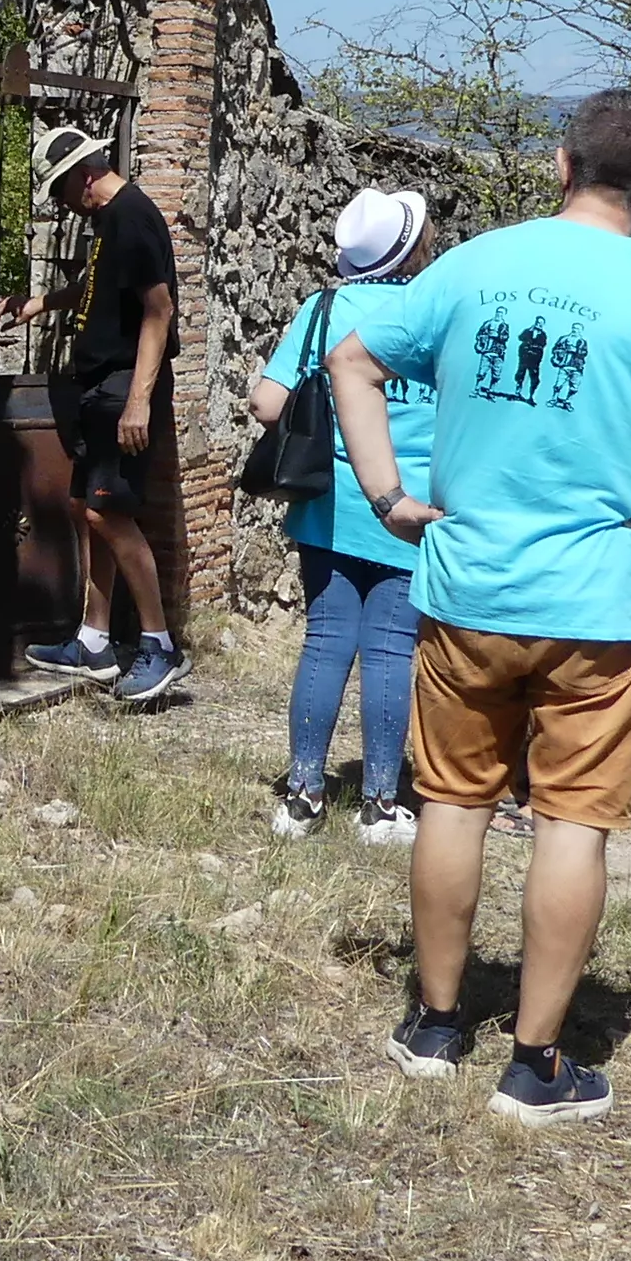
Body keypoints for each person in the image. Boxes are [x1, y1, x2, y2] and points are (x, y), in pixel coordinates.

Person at [327, 88, 631, 1128]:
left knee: (451, 800)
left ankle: (435, 1024)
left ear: (558, 164)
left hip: (467, 586)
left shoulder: (477, 264)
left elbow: (351, 357)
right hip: (601, 604)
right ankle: (534, 1062)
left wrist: (387, 497)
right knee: (571, 824)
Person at [245, 187, 437, 846]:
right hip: (409, 508)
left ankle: (302, 795)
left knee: (326, 641)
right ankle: (381, 806)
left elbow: (267, 405)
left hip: (330, 504)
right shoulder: (431, 313)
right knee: (391, 649)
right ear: (411, 247)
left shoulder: (324, 309)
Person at [14, 122, 185, 703]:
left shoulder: (133, 217)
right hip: (102, 387)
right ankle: (93, 641)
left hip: (121, 389)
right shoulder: (109, 221)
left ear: (84, 177)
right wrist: (44, 302)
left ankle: (160, 645)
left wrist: (138, 399)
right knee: (90, 508)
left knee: (109, 515)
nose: (61, 204)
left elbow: (158, 311)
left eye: (61, 190)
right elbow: (97, 287)